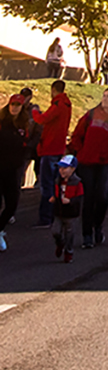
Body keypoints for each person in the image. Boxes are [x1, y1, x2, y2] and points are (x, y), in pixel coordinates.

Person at [68, 87, 108, 249]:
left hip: (106, 162)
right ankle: (87, 234)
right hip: (87, 161)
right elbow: (78, 134)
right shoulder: (91, 114)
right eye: (104, 96)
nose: (105, 99)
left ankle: (98, 226)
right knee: (88, 198)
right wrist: (79, 150)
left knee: (102, 197)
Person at [32, 79, 72, 228]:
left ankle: (46, 217)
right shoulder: (67, 105)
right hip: (58, 148)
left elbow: (43, 119)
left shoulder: (58, 105)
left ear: (53, 89)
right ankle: (55, 214)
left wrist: (35, 112)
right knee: (56, 184)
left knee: (47, 185)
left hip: (50, 148)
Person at [0, 94, 31, 252]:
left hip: (14, 168)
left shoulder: (24, 124)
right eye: (12, 104)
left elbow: (28, 140)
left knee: (12, 203)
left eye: (18, 105)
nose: (14, 107)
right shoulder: (2, 121)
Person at [50, 154, 83, 262]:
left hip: (71, 213)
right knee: (55, 231)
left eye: (65, 168)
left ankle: (68, 252)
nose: (61, 171)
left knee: (70, 233)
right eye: (60, 168)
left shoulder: (77, 182)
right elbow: (57, 192)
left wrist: (71, 201)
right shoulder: (57, 181)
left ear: (73, 169)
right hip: (59, 211)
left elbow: (80, 197)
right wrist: (54, 198)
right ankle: (60, 243)